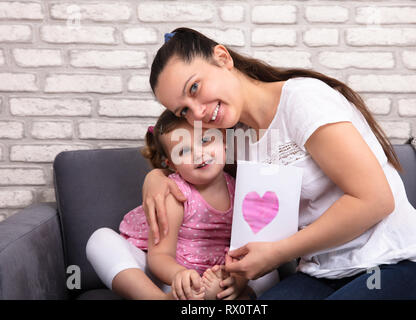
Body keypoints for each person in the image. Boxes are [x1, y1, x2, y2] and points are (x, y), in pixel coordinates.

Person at [139, 27, 416, 299]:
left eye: (195, 88)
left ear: (222, 57)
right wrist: (155, 178)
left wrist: (277, 254)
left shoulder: (302, 100)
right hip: (322, 274)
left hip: (396, 263)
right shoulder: (238, 141)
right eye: (183, 111)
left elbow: (376, 200)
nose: (197, 114)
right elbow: (199, 177)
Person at [86, 109, 278, 300]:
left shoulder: (241, 188)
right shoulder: (176, 194)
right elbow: (160, 257)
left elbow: (248, 246)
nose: (198, 154)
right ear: (172, 164)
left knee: (269, 269)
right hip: (171, 277)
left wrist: (235, 280)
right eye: (184, 151)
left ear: (224, 142)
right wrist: (179, 276)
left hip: (219, 273)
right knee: (100, 240)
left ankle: (233, 295)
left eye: (205, 141)